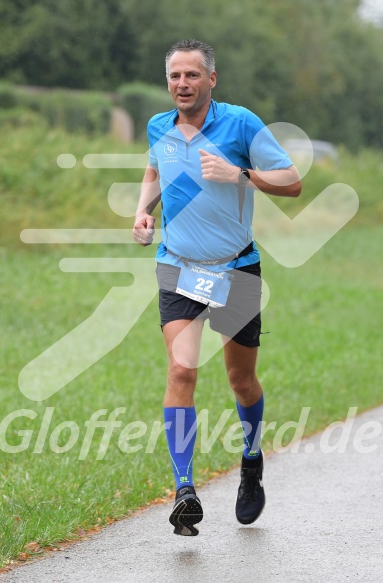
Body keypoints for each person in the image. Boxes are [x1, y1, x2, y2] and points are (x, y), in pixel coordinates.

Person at [132, 39, 301, 536]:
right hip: (178, 267)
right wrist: (144, 211)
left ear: (211, 79)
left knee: (240, 380)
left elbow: (292, 182)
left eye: (191, 75)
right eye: (174, 77)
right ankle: (184, 489)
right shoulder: (159, 126)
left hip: (236, 269)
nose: (182, 84)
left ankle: (251, 459)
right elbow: (154, 168)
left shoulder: (241, 123)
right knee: (181, 369)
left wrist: (241, 174)